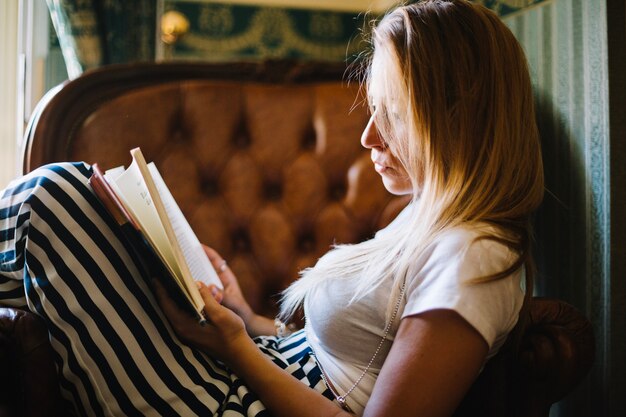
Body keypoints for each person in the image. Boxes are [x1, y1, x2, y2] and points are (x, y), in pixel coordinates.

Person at [0, 1, 543, 416]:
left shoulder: (475, 258)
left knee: (53, 198)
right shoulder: (431, 221)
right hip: (240, 378)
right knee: (74, 216)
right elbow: (340, 356)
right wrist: (244, 316)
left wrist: (237, 347)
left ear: (456, 117)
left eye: (392, 115)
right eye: (371, 110)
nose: (368, 136)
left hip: (233, 403)